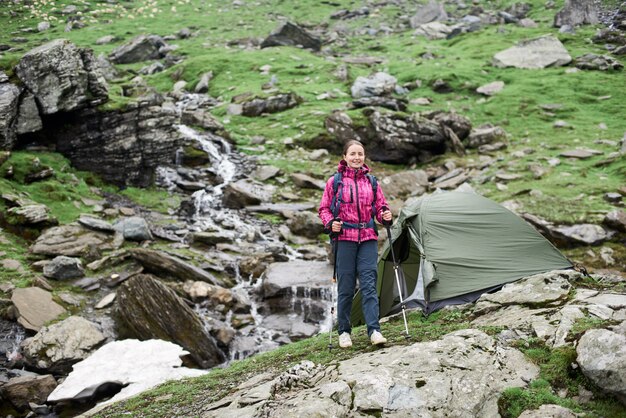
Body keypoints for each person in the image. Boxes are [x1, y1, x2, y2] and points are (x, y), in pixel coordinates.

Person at [318, 140, 392, 348]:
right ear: (344, 157)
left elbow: (380, 208)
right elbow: (324, 209)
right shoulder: (335, 182)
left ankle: (374, 331)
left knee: (369, 284)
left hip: (368, 236)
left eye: (360, 153)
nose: (357, 157)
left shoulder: (372, 182)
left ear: (364, 157)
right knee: (346, 287)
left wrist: (385, 215)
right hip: (344, 240)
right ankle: (344, 332)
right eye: (353, 154)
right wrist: (330, 223)